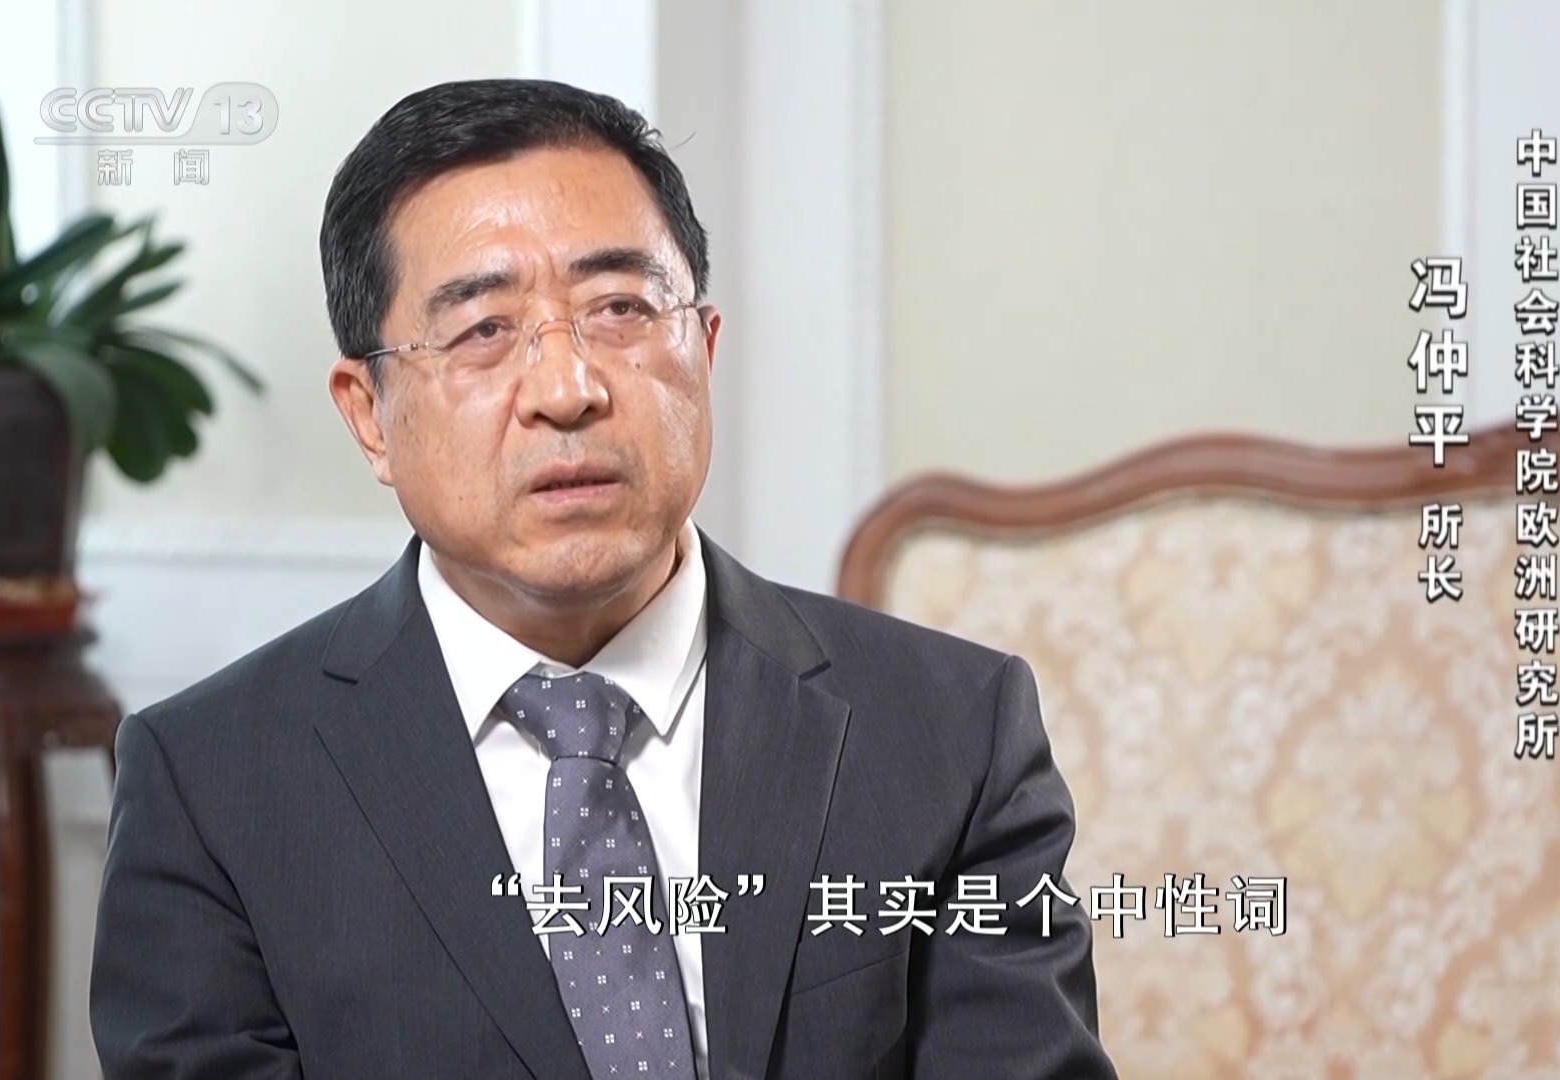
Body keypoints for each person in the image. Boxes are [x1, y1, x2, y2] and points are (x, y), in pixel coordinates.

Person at [89, 78, 1118, 1080]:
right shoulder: (212, 787)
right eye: (484, 330)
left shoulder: (950, 731)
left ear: (704, 349)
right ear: (370, 415)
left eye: (621, 308)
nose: (568, 389)